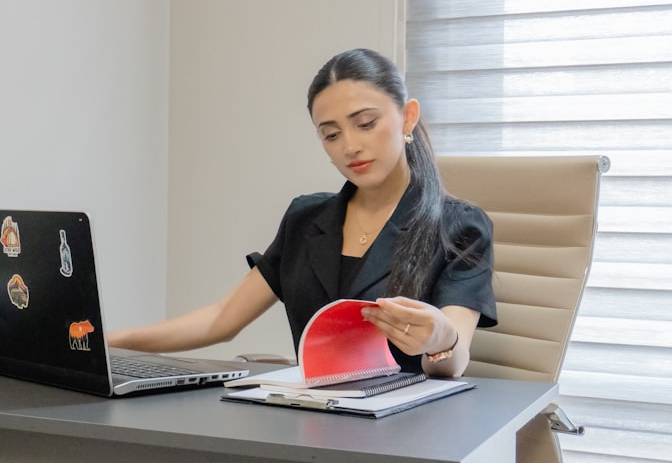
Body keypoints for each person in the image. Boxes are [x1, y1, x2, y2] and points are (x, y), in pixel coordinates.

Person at [107, 48, 497, 377]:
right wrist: (108, 342)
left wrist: (441, 340)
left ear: (407, 117)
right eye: (331, 134)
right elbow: (220, 319)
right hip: (312, 423)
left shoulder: (459, 226)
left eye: (366, 123)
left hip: (406, 431)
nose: (350, 146)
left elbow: (456, 360)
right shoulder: (307, 219)